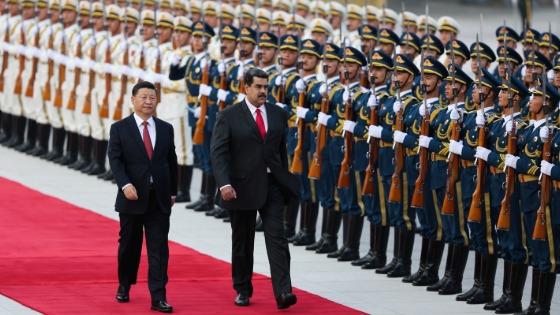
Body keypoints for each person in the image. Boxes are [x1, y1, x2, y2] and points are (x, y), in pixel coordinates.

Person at [211, 68, 299, 309]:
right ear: (245, 88)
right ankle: (242, 288)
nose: (263, 91)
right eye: (258, 87)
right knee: (242, 240)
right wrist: (224, 183)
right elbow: (218, 153)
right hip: (240, 187)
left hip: (272, 186)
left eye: (265, 87)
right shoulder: (229, 115)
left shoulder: (278, 114)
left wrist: (282, 179)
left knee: (277, 238)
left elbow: (281, 152)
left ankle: (283, 291)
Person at [108, 81, 178, 313]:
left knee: (159, 249)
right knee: (129, 246)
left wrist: (172, 192)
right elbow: (115, 160)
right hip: (132, 197)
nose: (148, 102)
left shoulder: (166, 129)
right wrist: (124, 184)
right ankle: (125, 283)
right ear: (133, 100)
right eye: (144, 97)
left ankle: (158, 297)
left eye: (152, 98)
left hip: (158, 198)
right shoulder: (120, 128)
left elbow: (171, 162)